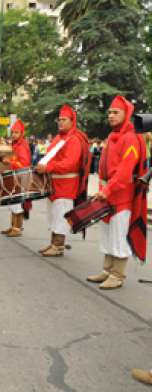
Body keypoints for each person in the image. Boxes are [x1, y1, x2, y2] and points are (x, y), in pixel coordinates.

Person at [87, 96, 147, 290]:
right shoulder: (113, 137)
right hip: (107, 193)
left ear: (126, 114)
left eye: (116, 112)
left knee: (118, 234)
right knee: (107, 232)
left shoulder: (130, 138)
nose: (111, 116)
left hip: (121, 196)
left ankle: (118, 274)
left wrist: (108, 189)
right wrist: (103, 190)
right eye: (110, 112)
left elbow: (124, 171)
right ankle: (107, 270)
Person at [35, 105, 90, 257]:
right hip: (53, 183)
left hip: (66, 185)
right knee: (53, 214)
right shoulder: (59, 138)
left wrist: (48, 167)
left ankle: (58, 246)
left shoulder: (74, 140)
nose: (60, 122)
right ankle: (53, 243)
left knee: (61, 214)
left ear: (72, 121)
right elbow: (49, 157)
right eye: (59, 119)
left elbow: (70, 163)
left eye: (64, 120)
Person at [1, 119, 31, 237]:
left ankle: (17, 228)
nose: (13, 134)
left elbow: (24, 164)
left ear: (21, 133)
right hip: (14, 177)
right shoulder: (14, 145)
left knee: (17, 204)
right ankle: (13, 226)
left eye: (16, 132)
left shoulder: (22, 146)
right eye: (12, 132)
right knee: (13, 203)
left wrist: (9, 161)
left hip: (20, 177)